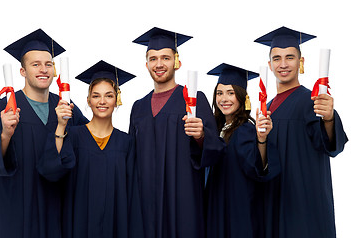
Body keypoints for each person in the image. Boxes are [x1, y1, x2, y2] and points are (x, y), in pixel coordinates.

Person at [0, 29, 88, 238]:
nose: (43, 69)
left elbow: (89, 143)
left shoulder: (65, 107)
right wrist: (6, 134)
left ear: (55, 70)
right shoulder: (4, 107)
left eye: (48, 64)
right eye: (35, 64)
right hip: (16, 211)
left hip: (57, 208)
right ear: (23, 72)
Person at [130, 27, 225, 238]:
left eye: (165, 57)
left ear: (176, 61)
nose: (159, 64)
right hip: (146, 203)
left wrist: (201, 136)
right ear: (146, 65)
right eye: (153, 59)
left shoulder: (194, 99)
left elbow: (217, 151)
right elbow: (131, 157)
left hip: (184, 201)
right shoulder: (138, 107)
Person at [254, 26, 348, 238]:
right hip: (273, 202)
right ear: (269, 65)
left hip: (304, 205)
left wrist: (330, 118)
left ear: (301, 62)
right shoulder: (266, 108)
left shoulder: (312, 101)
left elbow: (331, 146)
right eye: (277, 58)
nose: (283, 64)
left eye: (290, 57)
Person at [38, 60, 143, 238]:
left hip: (115, 226)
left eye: (109, 95)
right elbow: (51, 170)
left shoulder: (127, 143)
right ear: (88, 100)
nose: (102, 101)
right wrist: (61, 126)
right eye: (96, 96)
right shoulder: (73, 135)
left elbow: (132, 196)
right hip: (78, 225)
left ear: (116, 100)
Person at [205, 63, 280, 238]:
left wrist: (261, 140)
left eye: (231, 93)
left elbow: (255, 168)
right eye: (219, 93)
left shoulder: (245, 129)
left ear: (242, 98)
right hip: (217, 205)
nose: (224, 99)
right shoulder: (216, 129)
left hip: (239, 208)